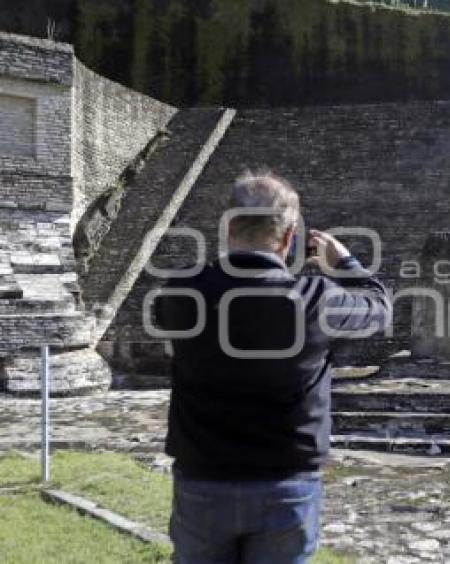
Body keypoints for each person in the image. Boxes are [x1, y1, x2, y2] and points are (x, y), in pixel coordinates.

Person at [155, 171, 391, 563]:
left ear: (228, 227)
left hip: (203, 479)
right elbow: (380, 307)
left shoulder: (181, 291)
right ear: (290, 235)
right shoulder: (317, 300)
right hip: (286, 484)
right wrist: (344, 261)